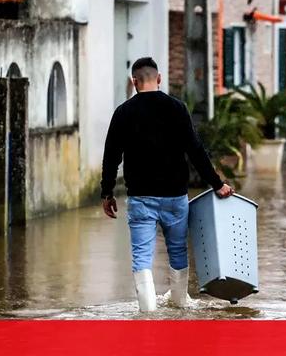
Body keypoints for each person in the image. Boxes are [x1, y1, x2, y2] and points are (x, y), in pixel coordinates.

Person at [100, 57, 234, 312]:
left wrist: (106, 192)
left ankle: (148, 315)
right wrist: (217, 184)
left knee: (141, 257)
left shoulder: (123, 112)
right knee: (177, 252)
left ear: (134, 82)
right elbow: (196, 150)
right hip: (175, 197)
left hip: (141, 197)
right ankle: (180, 306)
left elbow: (111, 157)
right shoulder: (177, 108)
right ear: (159, 79)